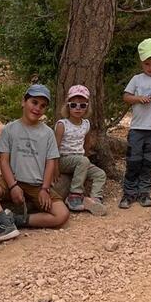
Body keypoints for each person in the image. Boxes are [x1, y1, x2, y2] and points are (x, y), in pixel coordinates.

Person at [0, 83, 70, 244]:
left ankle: (16, 220)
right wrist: (12, 186)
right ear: (23, 102)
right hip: (12, 180)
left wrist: (45, 189)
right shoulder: (10, 129)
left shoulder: (47, 133)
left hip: (37, 185)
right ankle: (3, 222)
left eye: (43, 105)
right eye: (34, 102)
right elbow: (3, 161)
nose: (37, 108)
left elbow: (50, 163)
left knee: (62, 215)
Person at [120, 38, 151, 208]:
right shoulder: (137, 79)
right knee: (133, 161)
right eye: (147, 64)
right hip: (137, 129)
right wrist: (137, 98)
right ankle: (128, 193)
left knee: (148, 162)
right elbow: (126, 97)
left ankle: (144, 192)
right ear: (142, 63)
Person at [54, 84, 108, 215]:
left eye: (82, 105)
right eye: (74, 105)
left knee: (100, 174)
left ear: (87, 107)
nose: (78, 108)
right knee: (82, 161)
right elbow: (54, 148)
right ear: (68, 106)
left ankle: (94, 199)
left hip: (80, 161)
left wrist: (86, 163)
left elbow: (86, 145)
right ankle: (74, 195)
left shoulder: (86, 124)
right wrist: (54, 168)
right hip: (64, 160)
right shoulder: (62, 124)